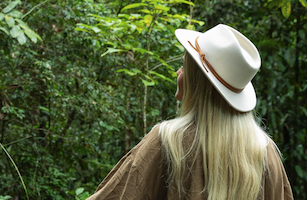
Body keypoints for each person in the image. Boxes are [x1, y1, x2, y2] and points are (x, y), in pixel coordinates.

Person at [87, 24, 293, 200]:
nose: (178, 72)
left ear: (198, 82)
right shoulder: (265, 152)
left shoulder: (169, 140)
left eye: (183, 66)